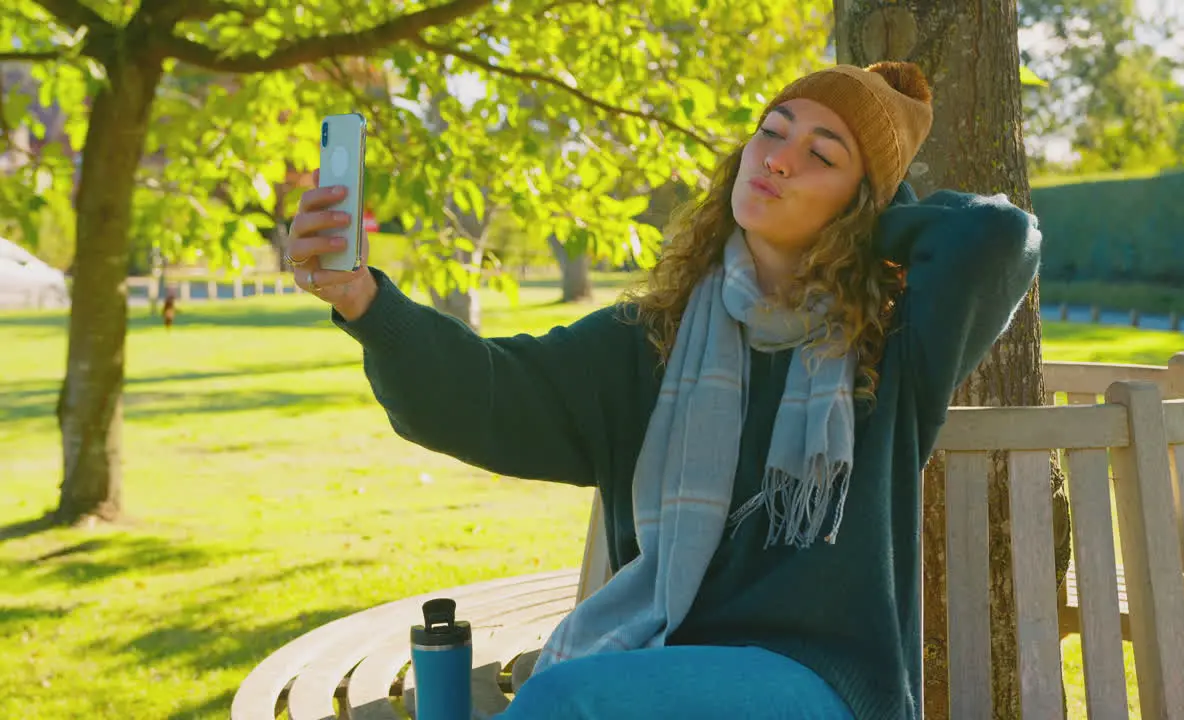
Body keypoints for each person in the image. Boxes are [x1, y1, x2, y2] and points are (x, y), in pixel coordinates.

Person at [284, 62, 1042, 720]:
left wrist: (871, 222)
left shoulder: (892, 346)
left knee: (562, 702)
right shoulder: (653, 339)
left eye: (822, 155)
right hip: (658, 665)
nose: (777, 160)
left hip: (825, 688)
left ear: (863, 204)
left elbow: (998, 241)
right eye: (772, 132)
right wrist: (361, 299)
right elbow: (488, 395)